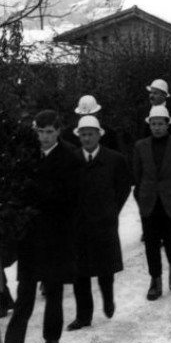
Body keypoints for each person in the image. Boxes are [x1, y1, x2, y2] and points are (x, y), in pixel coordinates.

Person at [1, 110, 79, 343]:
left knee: (54, 290)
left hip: (56, 234)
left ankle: (52, 336)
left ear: (58, 131)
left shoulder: (69, 157)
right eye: (39, 132)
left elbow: (71, 197)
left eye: (48, 132)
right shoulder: (27, 154)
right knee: (25, 290)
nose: (43, 137)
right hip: (31, 236)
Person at [67, 116, 132, 331]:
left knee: (105, 267)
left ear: (99, 135)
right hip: (79, 224)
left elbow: (123, 187)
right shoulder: (73, 160)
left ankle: (108, 298)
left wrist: (111, 210)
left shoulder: (114, 159)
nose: (86, 138)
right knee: (80, 273)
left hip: (104, 222)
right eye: (83, 134)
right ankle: (83, 316)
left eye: (90, 134)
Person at [133, 105, 171, 300]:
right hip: (149, 202)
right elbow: (138, 175)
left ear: (168, 125)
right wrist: (142, 197)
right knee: (151, 243)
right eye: (153, 124)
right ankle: (155, 280)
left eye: (160, 124)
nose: (157, 127)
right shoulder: (141, 146)